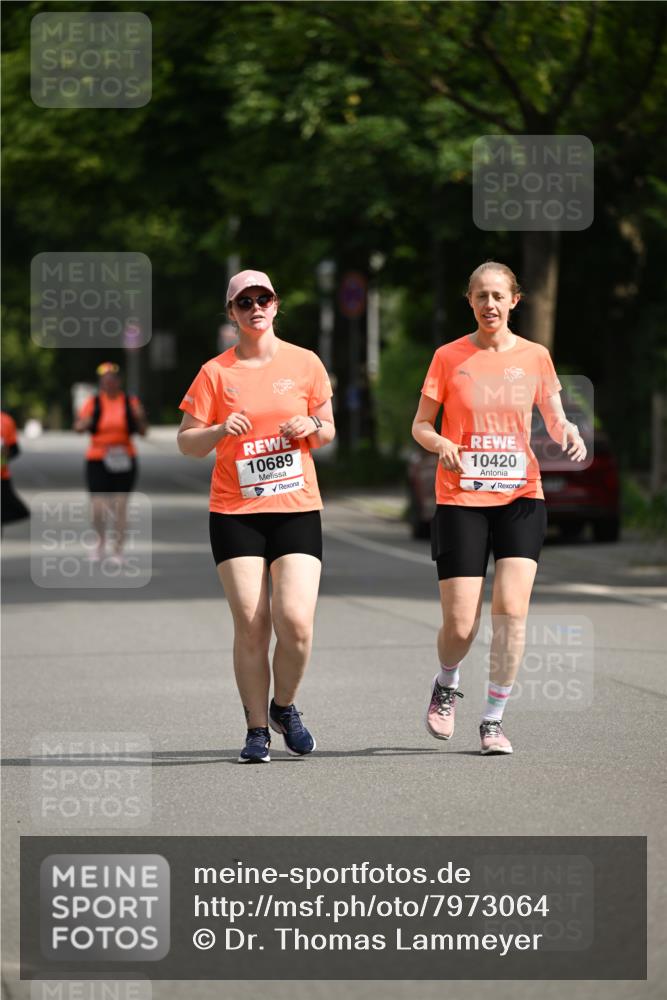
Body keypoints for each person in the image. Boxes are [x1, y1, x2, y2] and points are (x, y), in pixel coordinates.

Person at [412, 261, 586, 755]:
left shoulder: (534, 357)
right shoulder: (449, 357)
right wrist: (439, 442)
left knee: (511, 611)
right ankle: (446, 682)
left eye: (498, 296)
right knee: (462, 624)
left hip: (520, 496)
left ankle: (492, 720)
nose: (490, 304)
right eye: (481, 296)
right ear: (469, 300)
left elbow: (553, 417)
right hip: (461, 499)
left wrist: (567, 431)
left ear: (515, 301)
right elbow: (421, 424)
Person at [177, 269, 335, 764]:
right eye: (244, 302)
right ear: (232, 313)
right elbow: (186, 442)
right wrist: (221, 428)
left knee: (296, 623)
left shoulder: (305, 363)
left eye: (262, 298)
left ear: (275, 304)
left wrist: (311, 424)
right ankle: (255, 729)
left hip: (295, 507)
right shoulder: (215, 373)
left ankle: (284, 707)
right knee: (251, 621)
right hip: (236, 511)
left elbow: (328, 429)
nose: (255, 308)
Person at [74, 362, 148, 562]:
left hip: (124, 457)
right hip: (97, 458)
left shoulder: (129, 402)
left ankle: (118, 549)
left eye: (113, 380)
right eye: (105, 381)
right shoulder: (94, 402)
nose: (110, 383)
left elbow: (142, 431)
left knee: (120, 506)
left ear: (118, 382)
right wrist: (86, 422)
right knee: (98, 507)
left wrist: (140, 418)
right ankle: (100, 541)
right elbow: (78, 427)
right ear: (101, 383)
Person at [1, 411, 30, 529]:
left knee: (21, 511)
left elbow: (15, 449)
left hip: (2, 477)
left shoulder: (5, 420)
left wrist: (4, 457)